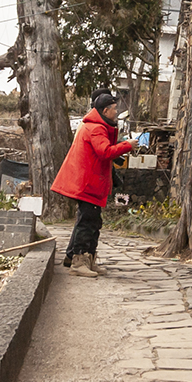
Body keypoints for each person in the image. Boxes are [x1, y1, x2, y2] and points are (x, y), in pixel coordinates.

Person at [50, 90, 135, 277]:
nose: (116, 112)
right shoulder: (96, 128)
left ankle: (79, 258)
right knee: (88, 223)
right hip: (89, 183)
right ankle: (80, 261)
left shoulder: (92, 125)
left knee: (89, 220)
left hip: (88, 181)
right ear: (105, 110)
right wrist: (127, 145)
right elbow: (105, 152)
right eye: (114, 108)